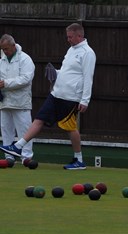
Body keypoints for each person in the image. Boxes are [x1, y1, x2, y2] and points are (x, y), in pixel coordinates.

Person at [0, 23, 96, 170]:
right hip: (56, 93)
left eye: (70, 37)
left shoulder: (88, 53)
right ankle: (18, 147)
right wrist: (56, 73)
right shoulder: (71, 50)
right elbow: (67, 72)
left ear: (79, 35)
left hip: (71, 97)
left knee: (70, 128)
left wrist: (85, 100)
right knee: (39, 119)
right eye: (67, 37)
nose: (68, 40)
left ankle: (79, 160)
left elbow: (88, 77)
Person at [0, 34, 35, 164]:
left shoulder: (25, 59)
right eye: (2, 49)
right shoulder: (2, 60)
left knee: (24, 129)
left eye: (6, 49)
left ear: (14, 46)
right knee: (5, 129)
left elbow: (26, 79)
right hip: (5, 100)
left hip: (21, 101)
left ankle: (26, 156)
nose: (4, 52)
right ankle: (9, 156)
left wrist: (6, 83)